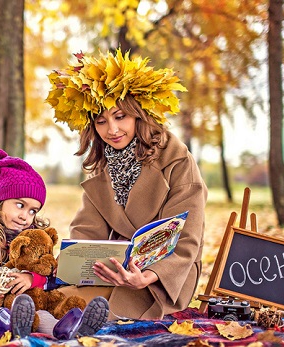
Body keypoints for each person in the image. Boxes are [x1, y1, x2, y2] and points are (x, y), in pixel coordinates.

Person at [45, 49, 208, 320]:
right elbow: (87, 230)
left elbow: (188, 237)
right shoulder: (102, 166)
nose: (112, 130)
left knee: (83, 310)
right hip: (112, 267)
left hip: (162, 276)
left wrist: (149, 275)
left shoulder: (176, 160)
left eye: (120, 117)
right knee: (57, 300)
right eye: (101, 121)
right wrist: (68, 262)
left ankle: (68, 324)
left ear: (138, 114)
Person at [0, 148, 109, 339]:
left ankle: (69, 330)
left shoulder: (35, 240)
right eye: (20, 205)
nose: (25, 216)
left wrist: (33, 279)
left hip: (28, 305)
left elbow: (52, 275)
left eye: (33, 211)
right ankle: (10, 326)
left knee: (42, 315)